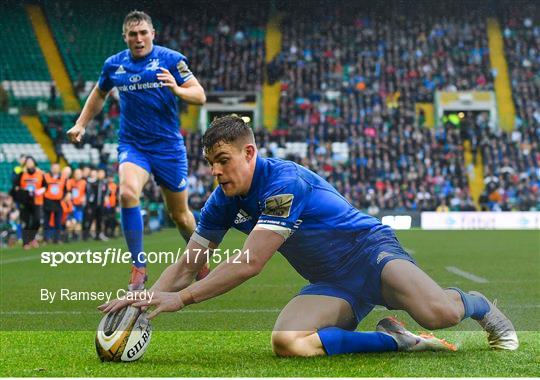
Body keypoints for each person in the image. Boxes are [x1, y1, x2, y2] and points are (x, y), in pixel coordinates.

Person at [101, 115, 519, 356]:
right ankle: (395, 340)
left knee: (440, 315)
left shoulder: (284, 182)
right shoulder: (222, 197)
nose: (215, 171)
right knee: (287, 342)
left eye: (223, 160)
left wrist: (182, 298)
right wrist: (144, 299)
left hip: (371, 254)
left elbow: (250, 263)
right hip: (331, 282)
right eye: (210, 162)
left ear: (249, 153)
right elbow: (191, 261)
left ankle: (478, 303)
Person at [67, 10, 208, 289]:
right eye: (133, 34)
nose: (139, 38)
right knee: (127, 193)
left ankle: (200, 261)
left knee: (179, 215)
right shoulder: (114, 65)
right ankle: (138, 267)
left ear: (152, 34)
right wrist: (81, 124)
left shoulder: (171, 60)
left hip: (168, 148)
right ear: (125, 37)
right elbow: (99, 94)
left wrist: (178, 91)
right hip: (133, 145)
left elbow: (200, 95)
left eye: (144, 33)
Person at [11, 156, 45, 249]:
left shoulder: (40, 173)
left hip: (37, 201)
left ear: (34, 163)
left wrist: (40, 190)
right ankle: (25, 242)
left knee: (37, 221)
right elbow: (15, 186)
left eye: (31, 162)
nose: (29, 163)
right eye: (28, 162)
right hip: (25, 202)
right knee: (25, 222)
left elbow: (45, 186)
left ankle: (32, 238)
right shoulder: (21, 174)